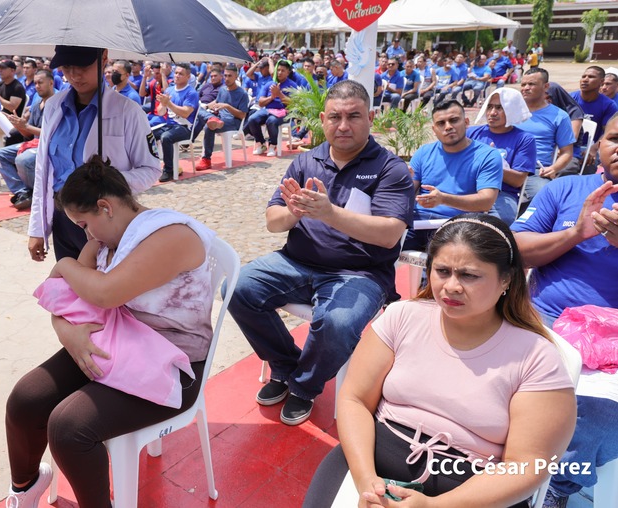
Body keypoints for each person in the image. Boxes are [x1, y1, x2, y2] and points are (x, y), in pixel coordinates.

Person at [304, 213, 577, 508]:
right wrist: (368, 484)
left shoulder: (536, 357)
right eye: (442, 271)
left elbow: (527, 465)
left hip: (475, 492)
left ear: (506, 279)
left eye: (469, 275)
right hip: (369, 460)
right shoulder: (402, 317)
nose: (452, 286)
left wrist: (433, 506)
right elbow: (355, 399)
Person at [4, 155, 216, 508]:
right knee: (26, 399)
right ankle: (26, 486)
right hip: (118, 343)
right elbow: (63, 299)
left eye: (84, 224)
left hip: (174, 366)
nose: (85, 234)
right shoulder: (104, 242)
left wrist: (65, 264)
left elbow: (104, 293)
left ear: (105, 207)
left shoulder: (172, 235)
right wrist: (68, 334)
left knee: (69, 428)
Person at [226, 81, 415, 426]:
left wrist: (329, 214)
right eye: (334, 117)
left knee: (337, 324)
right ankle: (285, 364)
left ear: (370, 118)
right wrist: (293, 212)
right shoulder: (306, 160)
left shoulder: (390, 169)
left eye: (353, 116)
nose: (343, 126)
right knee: (236, 288)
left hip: (359, 273)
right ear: (323, 119)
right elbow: (273, 221)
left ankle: (304, 385)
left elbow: (390, 235)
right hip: (295, 262)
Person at [511, 112, 618, 508]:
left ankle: (557, 487)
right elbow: (516, 249)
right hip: (543, 323)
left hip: (612, 344)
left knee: (601, 417)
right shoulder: (566, 188)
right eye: (615, 139)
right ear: (599, 144)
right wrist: (575, 233)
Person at [28, 45, 161, 263]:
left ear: (104, 57)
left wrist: (106, 183)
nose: (74, 75)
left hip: (105, 219)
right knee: (69, 279)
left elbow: (150, 169)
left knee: (105, 281)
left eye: (83, 65)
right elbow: (43, 171)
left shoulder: (127, 111)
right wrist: (37, 228)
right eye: (67, 66)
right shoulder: (53, 107)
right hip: (62, 216)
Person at [404, 100, 503, 251]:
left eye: (454, 120)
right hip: (418, 221)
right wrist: (399, 179)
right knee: (378, 246)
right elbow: (407, 191)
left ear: (466, 122)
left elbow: (486, 201)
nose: (448, 127)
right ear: (434, 129)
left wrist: (443, 199)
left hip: (460, 226)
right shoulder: (424, 152)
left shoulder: (487, 155)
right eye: (441, 123)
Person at [468, 88, 537, 225]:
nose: (492, 113)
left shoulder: (524, 139)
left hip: (502, 194)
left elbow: (518, 181)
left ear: (512, 110)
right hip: (468, 189)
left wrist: (491, 163)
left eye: (499, 108)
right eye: (489, 107)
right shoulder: (471, 133)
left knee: (500, 222)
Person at [0, 69, 54, 210]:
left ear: (51, 83)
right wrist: (19, 126)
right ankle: (22, 191)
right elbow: (28, 135)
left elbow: (51, 134)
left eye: (40, 82)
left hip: (50, 145)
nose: (37, 86)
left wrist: (25, 125)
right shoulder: (37, 103)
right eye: (35, 83)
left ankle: (37, 193)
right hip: (34, 143)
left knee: (23, 160)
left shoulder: (57, 104)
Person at [518, 68, 576, 209]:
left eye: (531, 84)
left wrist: (554, 168)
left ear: (546, 87)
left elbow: (567, 152)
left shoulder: (559, 116)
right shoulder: (510, 110)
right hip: (506, 166)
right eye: (523, 84)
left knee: (545, 198)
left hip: (535, 171)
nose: (526, 88)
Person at [192, 65, 249, 171]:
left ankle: (206, 159)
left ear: (236, 76)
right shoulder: (222, 90)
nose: (226, 78)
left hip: (233, 121)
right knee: (197, 110)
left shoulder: (242, 94)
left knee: (208, 127)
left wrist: (227, 106)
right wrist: (207, 106)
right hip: (219, 117)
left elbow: (242, 115)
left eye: (230, 76)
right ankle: (211, 118)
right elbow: (217, 102)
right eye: (225, 76)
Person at [153, 63, 199, 183]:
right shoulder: (169, 90)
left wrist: (168, 103)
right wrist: (163, 104)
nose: (177, 76)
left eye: (181, 74)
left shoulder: (191, 93)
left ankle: (169, 170)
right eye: (176, 73)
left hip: (184, 127)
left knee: (166, 137)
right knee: (147, 134)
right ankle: (150, 165)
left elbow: (185, 113)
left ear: (188, 77)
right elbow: (161, 112)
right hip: (169, 125)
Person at [570, 66, 618, 174]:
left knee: (591, 163)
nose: (585, 80)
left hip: (592, 147)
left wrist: (593, 149)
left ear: (601, 82)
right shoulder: (570, 99)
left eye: (591, 77)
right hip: (568, 146)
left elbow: (607, 132)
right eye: (583, 76)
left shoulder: (609, 105)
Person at [247, 59, 297, 158]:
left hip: (284, 113)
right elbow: (260, 102)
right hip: (267, 110)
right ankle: (261, 143)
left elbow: (292, 104)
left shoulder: (292, 85)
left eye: (283, 70)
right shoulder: (269, 84)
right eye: (278, 70)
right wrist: (271, 97)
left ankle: (272, 145)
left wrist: (279, 94)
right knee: (252, 119)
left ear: (288, 72)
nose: (279, 73)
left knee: (271, 120)